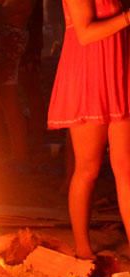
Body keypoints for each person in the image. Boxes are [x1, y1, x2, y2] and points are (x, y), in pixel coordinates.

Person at [47, 0, 130, 259]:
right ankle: (83, 250)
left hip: (117, 70)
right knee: (87, 168)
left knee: (125, 166)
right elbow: (85, 33)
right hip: (89, 73)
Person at [0, 0, 38, 168]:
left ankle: (20, 154)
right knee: (3, 95)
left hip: (11, 36)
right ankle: (17, 152)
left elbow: (20, 9)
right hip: (8, 36)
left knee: (8, 96)